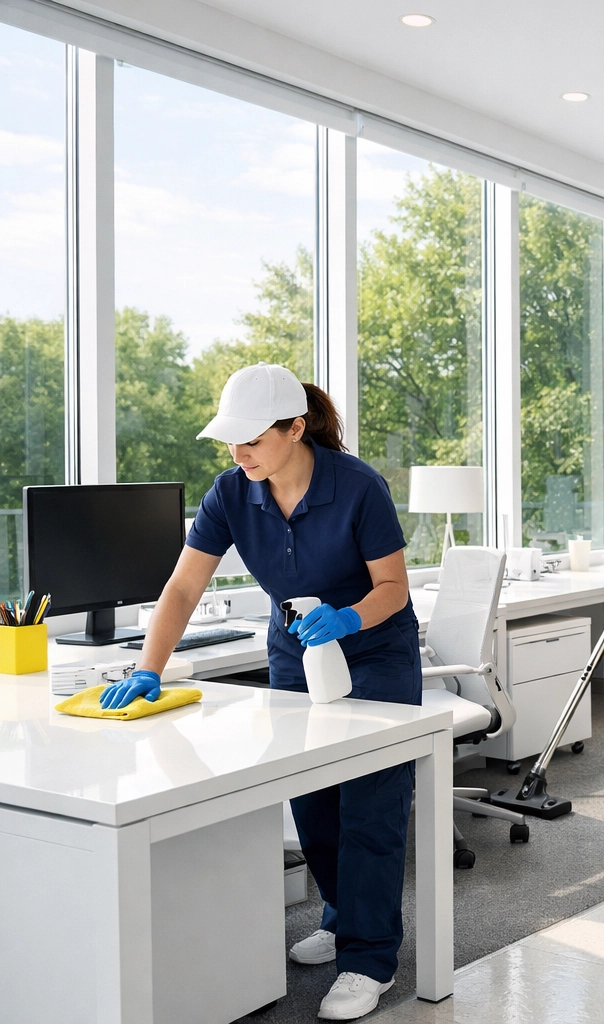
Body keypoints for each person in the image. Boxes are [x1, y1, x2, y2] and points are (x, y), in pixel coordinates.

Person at [99, 363, 422, 1021]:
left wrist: (349, 617)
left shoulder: (357, 487)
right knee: (312, 801)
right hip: (298, 653)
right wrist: (149, 667)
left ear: (295, 428)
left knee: (370, 808)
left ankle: (368, 960)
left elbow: (394, 587)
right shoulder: (230, 492)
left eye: (251, 439)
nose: (238, 452)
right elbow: (184, 588)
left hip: (372, 652)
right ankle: (340, 915)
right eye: (230, 440)